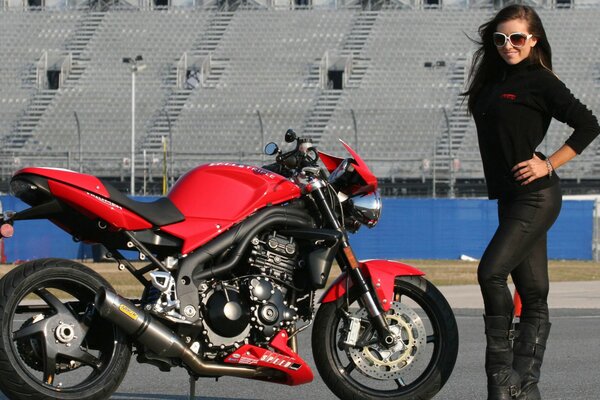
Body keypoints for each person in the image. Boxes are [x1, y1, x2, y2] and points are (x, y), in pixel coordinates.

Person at [463, 4, 600, 400]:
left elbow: (589, 124)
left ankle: (500, 376)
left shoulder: (541, 81)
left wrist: (548, 164)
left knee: (490, 272)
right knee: (535, 293)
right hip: (511, 197)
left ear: (533, 40)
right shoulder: (492, 79)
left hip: (537, 196)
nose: (509, 45)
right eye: (501, 38)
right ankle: (526, 383)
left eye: (518, 38)